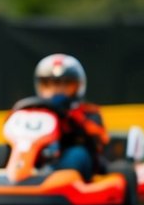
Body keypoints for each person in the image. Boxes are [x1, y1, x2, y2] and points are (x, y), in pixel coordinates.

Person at [24, 53, 107, 181]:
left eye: (65, 84)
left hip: (71, 159)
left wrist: (71, 119)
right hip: (35, 157)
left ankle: (55, 181)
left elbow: (99, 138)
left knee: (77, 154)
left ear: (77, 86)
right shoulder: (32, 111)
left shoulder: (87, 112)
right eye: (48, 84)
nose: (56, 90)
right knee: (1, 150)